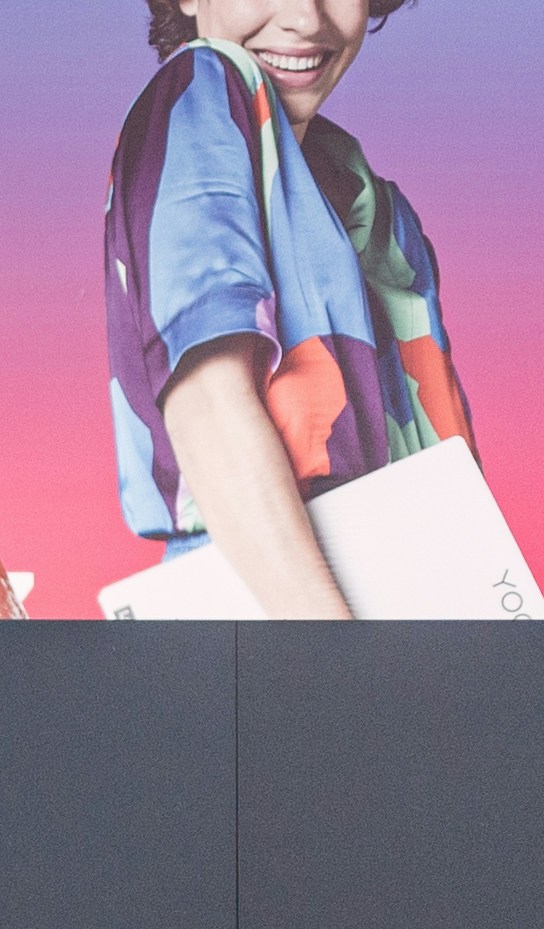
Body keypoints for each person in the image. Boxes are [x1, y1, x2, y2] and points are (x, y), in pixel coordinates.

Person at [113, 0, 472, 621]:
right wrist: (333, 660)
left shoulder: (373, 201)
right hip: (283, 610)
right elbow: (209, 401)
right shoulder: (203, 85)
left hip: (404, 612)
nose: (307, 18)